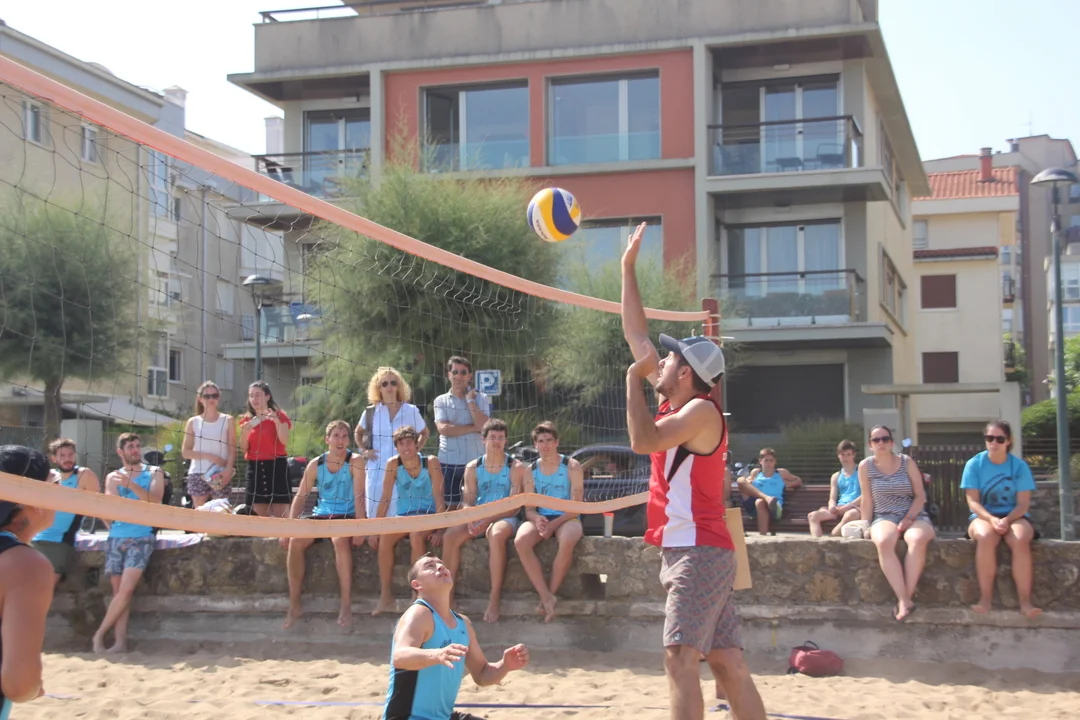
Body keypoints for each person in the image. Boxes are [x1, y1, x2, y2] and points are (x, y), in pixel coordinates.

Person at [621, 221, 766, 720]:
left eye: (667, 359)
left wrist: (631, 381)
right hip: (699, 549)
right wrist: (627, 267)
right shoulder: (677, 407)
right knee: (727, 664)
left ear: (686, 373)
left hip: (699, 551)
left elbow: (642, 441)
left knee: (680, 659)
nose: (657, 362)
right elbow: (635, 332)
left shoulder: (701, 412)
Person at [383, 554, 529, 720]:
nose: (440, 567)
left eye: (441, 564)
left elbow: (482, 674)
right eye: (430, 566)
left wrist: (504, 665)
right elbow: (400, 657)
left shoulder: (463, 623)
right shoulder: (419, 614)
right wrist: (436, 655)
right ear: (417, 585)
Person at [282, 420, 368, 630]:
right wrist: (288, 528)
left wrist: (361, 528)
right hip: (321, 516)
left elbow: (360, 496)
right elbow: (301, 497)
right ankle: (294, 605)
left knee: (340, 541)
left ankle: (345, 606)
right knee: (295, 542)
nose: (340, 440)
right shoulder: (316, 464)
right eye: (336, 436)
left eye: (344, 436)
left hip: (345, 516)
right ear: (327, 440)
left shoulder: (355, 461)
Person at [442, 419, 526, 622]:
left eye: (501, 438)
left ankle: (494, 599)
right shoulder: (473, 467)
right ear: (483, 440)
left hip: (506, 517)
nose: (496, 441)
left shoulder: (515, 467)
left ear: (506, 440)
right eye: (492, 437)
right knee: (450, 536)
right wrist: (471, 516)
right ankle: (446, 599)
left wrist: (487, 519)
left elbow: (514, 507)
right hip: (479, 517)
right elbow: (467, 502)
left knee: (496, 534)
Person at [92, 433, 166, 653]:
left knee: (125, 590)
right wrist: (113, 528)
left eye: (137, 446)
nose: (135, 450)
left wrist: (131, 485)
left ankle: (98, 635)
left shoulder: (154, 472)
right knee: (119, 594)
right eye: (130, 446)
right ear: (120, 451)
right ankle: (120, 642)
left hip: (142, 536)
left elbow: (155, 501)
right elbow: (110, 507)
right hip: (116, 537)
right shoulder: (112, 476)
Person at [962, 420, 1041, 618]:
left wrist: (1007, 519)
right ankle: (985, 600)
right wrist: (991, 519)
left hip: (1015, 515)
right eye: (989, 438)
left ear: (1008, 441)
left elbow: (1023, 504)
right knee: (986, 536)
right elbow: (973, 502)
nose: (994, 443)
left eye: (999, 439)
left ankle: (1025, 603)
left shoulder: (1019, 466)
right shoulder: (974, 464)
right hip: (983, 516)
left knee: (1020, 538)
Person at [0, 445, 57, 719]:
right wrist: (34, 688)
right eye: (54, 485)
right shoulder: (25, 565)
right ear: (33, 500)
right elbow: (19, 686)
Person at [858, 425, 935, 623]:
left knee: (917, 539)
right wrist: (865, 524)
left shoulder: (906, 462)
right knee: (884, 541)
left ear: (892, 442)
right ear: (870, 445)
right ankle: (904, 600)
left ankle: (904, 599)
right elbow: (867, 499)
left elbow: (920, 496)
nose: (881, 443)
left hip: (914, 514)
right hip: (884, 516)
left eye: (885, 439)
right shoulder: (865, 466)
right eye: (876, 440)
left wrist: (909, 518)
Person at [513, 422, 584, 623]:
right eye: (541, 441)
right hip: (542, 517)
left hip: (568, 516)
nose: (545, 445)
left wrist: (553, 525)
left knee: (568, 539)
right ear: (535, 444)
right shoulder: (530, 470)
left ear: (557, 442)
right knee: (521, 541)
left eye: (549, 440)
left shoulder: (572, 466)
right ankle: (546, 596)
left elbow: (577, 506)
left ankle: (548, 597)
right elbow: (529, 509)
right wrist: (538, 519)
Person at [373, 426, 446, 616]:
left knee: (416, 535)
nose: (406, 448)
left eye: (409, 443)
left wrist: (440, 529)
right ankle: (385, 595)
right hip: (405, 515)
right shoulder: (393, 464)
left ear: (416, 444)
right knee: (384, 538)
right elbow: (385, 498)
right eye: (401, 444)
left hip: (428, 515)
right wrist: (373, 528)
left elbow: (439, 496)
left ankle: (417, 595)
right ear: (396, 447)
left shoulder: (430, 462)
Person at [355, 366, 429, 521]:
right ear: (378, 388)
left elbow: (425, 433)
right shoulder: (371, 412)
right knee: (376, 516)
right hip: (377, 469)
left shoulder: (411, 410)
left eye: (393, 383)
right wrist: (364, 451)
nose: (389, 387)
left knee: (402, 516)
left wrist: (415, 450)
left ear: (399, 386)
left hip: (404, 470)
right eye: (384, 383)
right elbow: (358, 433)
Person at [31, 437, 102, 584]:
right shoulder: (49, 476)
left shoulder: (83, 475)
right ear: (54, 458)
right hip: (34, 538)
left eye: (70, 455)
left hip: (59, 541)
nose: (67, 459)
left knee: (43, 587)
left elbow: (98, 505)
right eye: (62, 455)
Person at [434, 356, 490, 510]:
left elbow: (484, 426)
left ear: (469, 376)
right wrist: (472, 428)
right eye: (455, 372)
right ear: (449, 375)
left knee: (475, 507)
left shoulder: (481, 398)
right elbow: (444, 429)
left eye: (463, 372)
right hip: (449, 463)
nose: (459, 376)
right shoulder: (440, 401)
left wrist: (470, 401)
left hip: (476, 463)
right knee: (450, 508)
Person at [239, 380, 293, 518]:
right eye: (251, 396)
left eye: (258, 395)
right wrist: (244, 433)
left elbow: (284, 441)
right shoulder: (247, 420)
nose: (254, 399)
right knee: (258, 516)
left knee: (281, 514)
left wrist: (276, 421)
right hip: (255, 468)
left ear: (267, 396)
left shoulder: (280, 416)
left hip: (277, 467)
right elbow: (244, 449)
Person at [181, 381, 236, 509]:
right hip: (198, 472)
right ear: (200, 399)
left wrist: (229, 469)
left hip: (220, 472)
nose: (211, 399)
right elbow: (186, 452)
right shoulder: (193, 422)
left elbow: (232, 448)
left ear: (219, 398)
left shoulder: (227, 420)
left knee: (222, 511)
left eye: (214, 395)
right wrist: (210, 457)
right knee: (201, 513)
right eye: (207, 396)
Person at [738, 448, 802, 535]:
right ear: (760, 461)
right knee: (741, 480)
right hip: (755, 507)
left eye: (771, 460)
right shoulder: (756, 473)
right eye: (766, 460)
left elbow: (798, 480)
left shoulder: (781, 473)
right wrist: (749, 481)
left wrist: (788, 483)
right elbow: (746, 483)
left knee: (760, 502)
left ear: (775, 461)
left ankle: (763, 536)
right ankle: (767, 498)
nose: (768, 463)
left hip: (774, 507)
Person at [807, 440, 862, 538]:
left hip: (855, 508)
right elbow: (832, 498)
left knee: (850, 515)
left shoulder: (861, 472)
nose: (845, 457)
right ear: (838, 456)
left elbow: (865, 495)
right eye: (843, 454)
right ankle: (817, 543)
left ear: (854, 455)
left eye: (848, 454)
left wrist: (848, 506)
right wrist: (832, 506)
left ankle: (831, 538)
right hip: (839, 508)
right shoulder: (836, 476)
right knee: (812, 516)